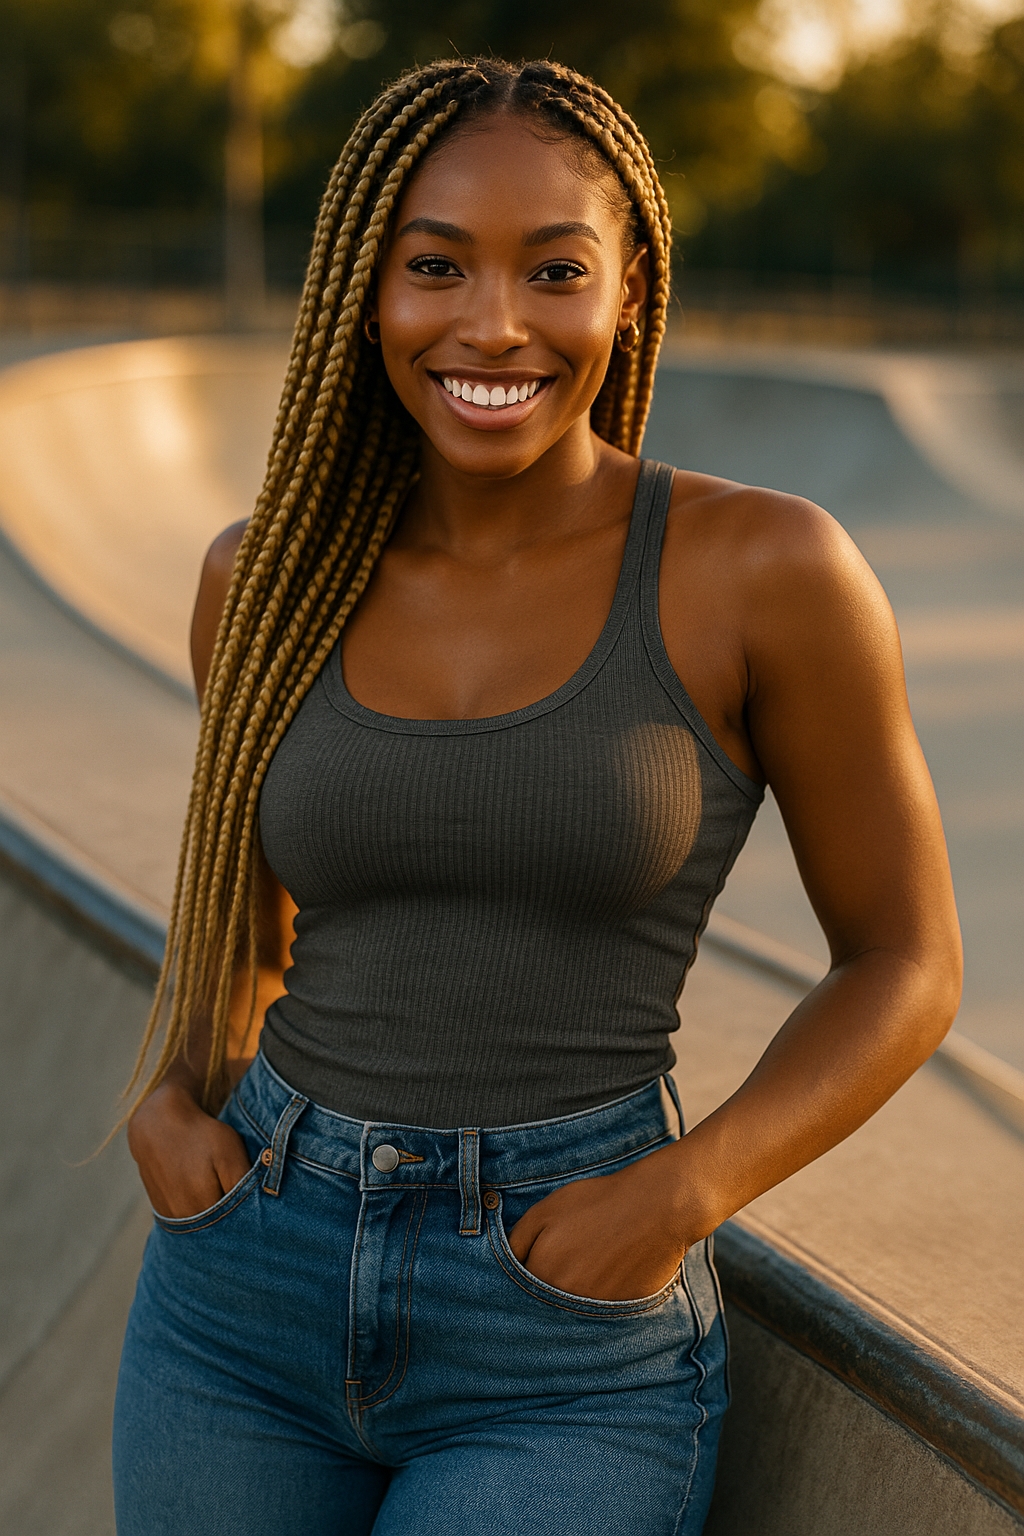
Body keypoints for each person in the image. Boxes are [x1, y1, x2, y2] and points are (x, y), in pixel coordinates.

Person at [112, 57, 962, 1536]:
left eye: (555, 270)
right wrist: (170, 1097)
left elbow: (906, 961)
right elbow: (248, 929)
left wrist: (682, 1192)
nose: (494, 324)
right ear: (366, 292)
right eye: (435, 265)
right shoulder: (260, 580)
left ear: (628, 293)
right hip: (241, 1289)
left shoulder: (767, 570)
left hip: (561, 1334)